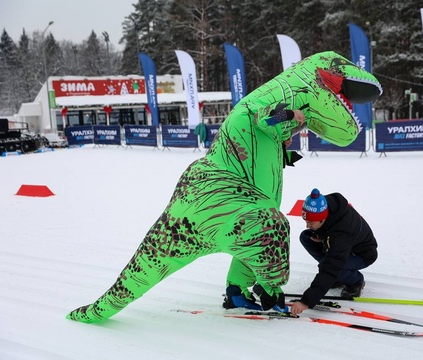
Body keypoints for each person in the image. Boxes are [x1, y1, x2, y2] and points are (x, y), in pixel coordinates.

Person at [66, 52, 381, 323]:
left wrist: (290, 134)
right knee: (269, 227)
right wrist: (291, 114)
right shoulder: (281, 92)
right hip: (212, 195)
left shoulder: (285, 104)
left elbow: (271, 129)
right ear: (319, 72)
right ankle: (270, 294)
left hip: (233, 196)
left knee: (250, 234)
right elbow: (262, 115)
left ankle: (236, 292)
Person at [290, 188, 378, 316]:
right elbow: (328, 228)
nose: (307, 225)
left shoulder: (342, 232)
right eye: (306, 221)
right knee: (306, 237)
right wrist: (320, 234)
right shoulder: (327, 207)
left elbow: (331, 266)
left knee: (333, 268)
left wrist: (306, 301)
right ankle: (337, 277)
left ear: (322, 219)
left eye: (310, 222)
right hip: (344, 246)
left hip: (362, 254)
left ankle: (356, 281)